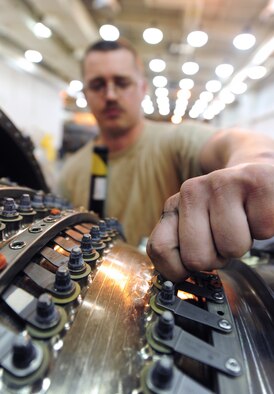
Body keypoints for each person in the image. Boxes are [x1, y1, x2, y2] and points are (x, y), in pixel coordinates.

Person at [59, 38, 274, 282]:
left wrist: (255, 164)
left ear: (142, 88)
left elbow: (236, 141)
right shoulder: (70, 171)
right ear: (85, 93)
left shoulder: (176, 139)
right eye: (97, 85)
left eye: (122, 82)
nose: (110, 95)